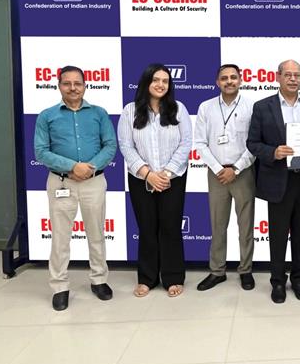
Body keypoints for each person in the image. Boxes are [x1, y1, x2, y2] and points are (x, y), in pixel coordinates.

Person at [34, 65, 117, 311]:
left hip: (94, 182)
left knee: (96, 234)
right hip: (61, 182)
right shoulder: (47, 116)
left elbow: (110, 146)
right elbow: (41, 151)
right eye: (67, 83)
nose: (73, 88)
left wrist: (89, 168)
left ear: (85, 86)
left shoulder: (99, 113)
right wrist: (72, 167)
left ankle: (99, 280)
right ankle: (60, 286)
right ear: (59, 86)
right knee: (60, 237)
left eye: (77, 83)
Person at [246, 59, 300, 304]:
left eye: (297, 75)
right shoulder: (262, 106)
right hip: (278, 181)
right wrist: (273, 152)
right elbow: (252, 143)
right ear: (278, 77)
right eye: (288, 75)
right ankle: (278, 281)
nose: (293, 79)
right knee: (278, 235)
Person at [117, 63, 192, 298]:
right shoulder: (130, 111)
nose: (161, 85)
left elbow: (186, 143)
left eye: (165, 81)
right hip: (141, 179)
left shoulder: (178, 109)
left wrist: (166, 174)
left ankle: (173, 277)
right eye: (156, 80)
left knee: (171, 227)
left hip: (173, 178)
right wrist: (148, 174)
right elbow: (126, 146)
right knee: (147, 228)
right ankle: (147, 278)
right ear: (146, 83)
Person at [193, 64, 256, 292]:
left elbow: (255, 143)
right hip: (216, 174)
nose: (229, 81)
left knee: (246, 225)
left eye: (233, 77)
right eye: (224, 78)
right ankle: (217, 271)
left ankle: (245, 270)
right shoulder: (206, 107)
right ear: (217, 82)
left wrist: (236, 169)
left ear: (240, 80)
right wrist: (219, 168)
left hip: (244, 172)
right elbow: (200, 143)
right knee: (217, 224)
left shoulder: (251, 106)